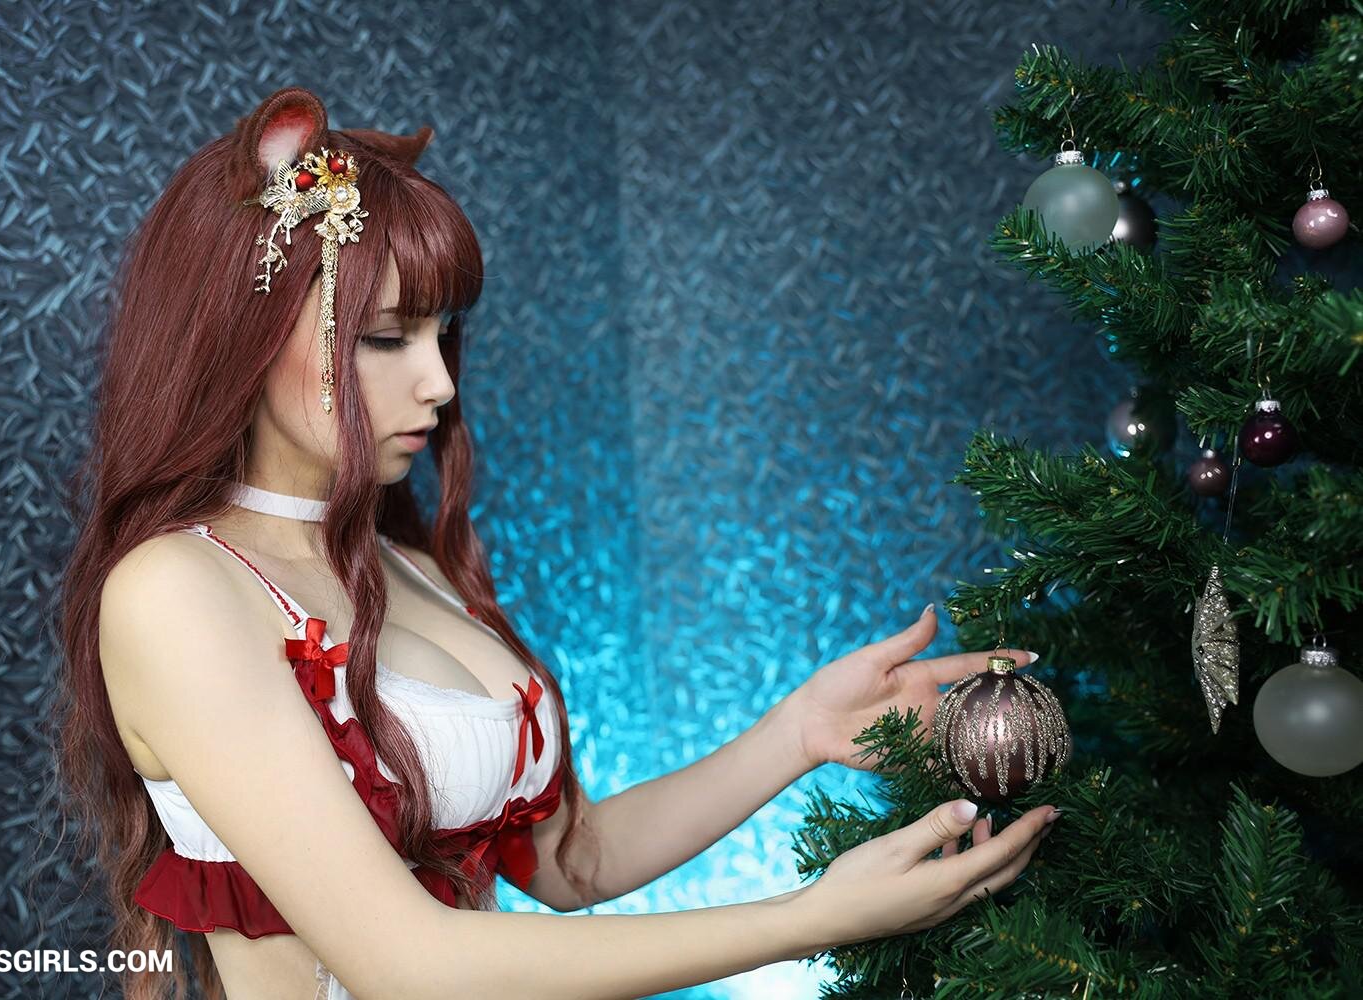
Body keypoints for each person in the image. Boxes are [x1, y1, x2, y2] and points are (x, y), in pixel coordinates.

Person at [51, 86, 1059, 1000]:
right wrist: (808, 919)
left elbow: (576, 861)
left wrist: (795, 733)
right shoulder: (177, 592)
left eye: (444, 335)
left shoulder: (411, 566)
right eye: (387, 337)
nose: (440, 383)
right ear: (247, 332)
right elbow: (406, 964)